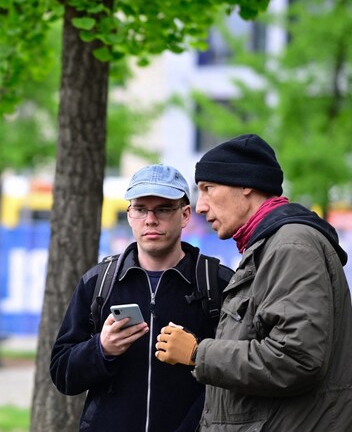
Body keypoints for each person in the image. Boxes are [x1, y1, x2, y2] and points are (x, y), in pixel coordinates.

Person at [155, 134, 352, 430]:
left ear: (246, 184)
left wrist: (197, 353)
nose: (200, 206)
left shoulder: (291, 245)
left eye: (208, 189)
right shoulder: (271, 244)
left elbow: (297, 359)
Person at [50, 164, 233, 432]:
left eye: (163, 209)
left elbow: (237, 375)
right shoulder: (99, 282)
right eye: (140, 209)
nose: (150, 219)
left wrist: (197, 353)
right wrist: (101, 349)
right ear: (129, 215)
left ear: (184, 215)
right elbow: (62, 374)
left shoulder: (217, 282)